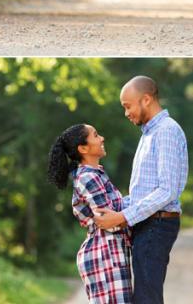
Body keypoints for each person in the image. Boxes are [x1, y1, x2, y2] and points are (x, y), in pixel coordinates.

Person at [93, 76, 188, 304]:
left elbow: (167, 191)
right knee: (144, 297)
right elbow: (143, 193)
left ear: (146, 99)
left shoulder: (165, 131)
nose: (126, 113)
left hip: (157, 224)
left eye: (128, 105)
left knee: (147, 298)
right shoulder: (149, 134)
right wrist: (114, 209)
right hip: (148, 223)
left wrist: (123, 217)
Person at [47, 123, 132, 304]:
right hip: (105, 254)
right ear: (83, 148)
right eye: (95, 135)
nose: (102, 138)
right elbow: (108, 220)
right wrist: (141, 214)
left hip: (111, 252)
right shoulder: (88, 177)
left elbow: (117, 212)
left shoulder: (96, 174)